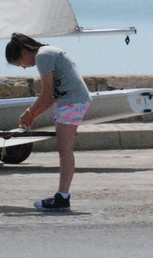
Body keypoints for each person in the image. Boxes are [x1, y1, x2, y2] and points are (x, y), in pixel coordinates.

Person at [5, 32, 90, 212]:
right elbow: (52, 97)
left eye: (19, 63)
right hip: (73, 100)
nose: (23, 67)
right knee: (64, 148)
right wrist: (32, 116)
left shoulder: (42, 57)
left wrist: (28, 113)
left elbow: (46, 94)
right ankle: (62, 196)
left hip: (72, 101)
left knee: (64, 149)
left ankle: (62, 198)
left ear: (23, 52)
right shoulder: (49, 51)